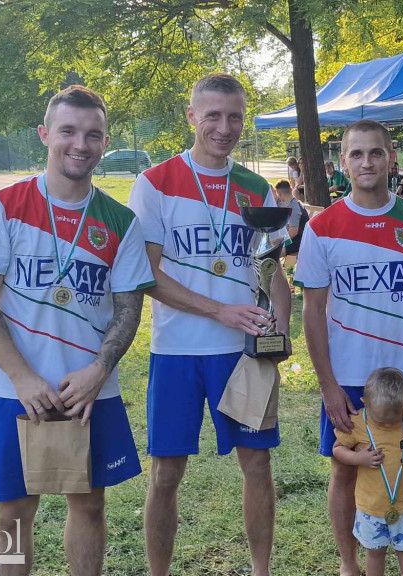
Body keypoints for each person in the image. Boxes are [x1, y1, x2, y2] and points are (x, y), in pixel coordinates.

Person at [0, 85, 155, 576]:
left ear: (104, 142)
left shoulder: (120, 221)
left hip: (89, 390)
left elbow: (129, 310)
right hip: (15, 390)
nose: (80, 144)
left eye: (93, 135)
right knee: (14, 512)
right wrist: (23, 378)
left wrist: (98, 370)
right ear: (46, 134)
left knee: (88, 505)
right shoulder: (2, 206)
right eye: (68, 131)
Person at [128, 73, 292, 576]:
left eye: (235, 116)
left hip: (243, 352)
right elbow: (147, 276)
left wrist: (280, 333)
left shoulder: (256, 188)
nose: (224, 127)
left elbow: (273, 271)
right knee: (166, 473)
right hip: (177, 351)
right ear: (192, 115)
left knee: (257, 465)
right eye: (213, 115)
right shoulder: (155, 183)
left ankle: (260, 570)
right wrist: (219, 310)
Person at [295, 119, 403, 576]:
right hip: (349, 376)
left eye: (376, 153)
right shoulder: (322, 227)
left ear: (392, 158)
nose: (367, 162)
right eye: (357, 154)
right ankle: (350, 565)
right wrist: (327, 385)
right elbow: (312, 312)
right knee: (345, 470)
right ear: (342, 163)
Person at [333, 368, 403, 576]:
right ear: (364, 401)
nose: (388, 424)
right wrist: (358, 458)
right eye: (381, 421)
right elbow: (337, 449)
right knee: (374, 553)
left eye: (394, 420)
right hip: (370, 507)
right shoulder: (358, 423)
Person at [274, 178, 308, 259]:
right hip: (297, 239)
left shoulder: (293, 207)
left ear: (279, 194)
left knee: (271, 255)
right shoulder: (294, 203)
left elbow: (293, 233)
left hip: (299, 242)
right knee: (271, 244)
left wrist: (279, 242)